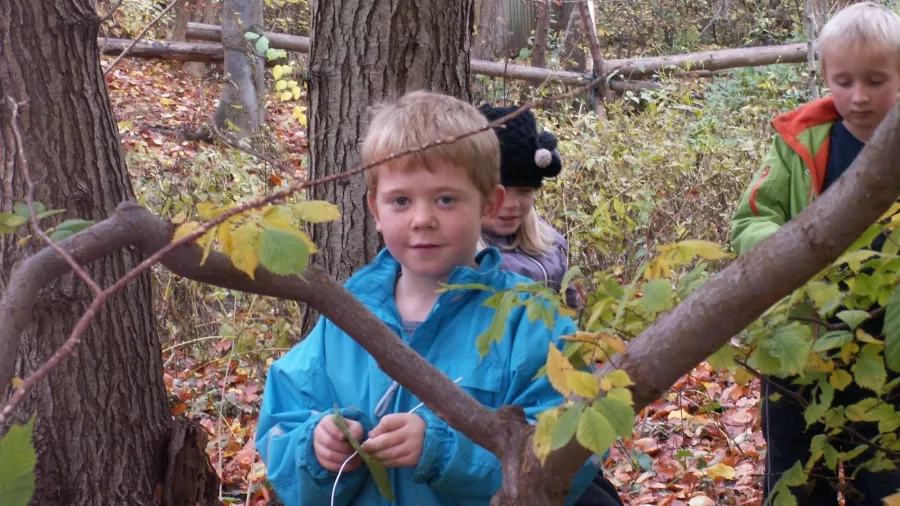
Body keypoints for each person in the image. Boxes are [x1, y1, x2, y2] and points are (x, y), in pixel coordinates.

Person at [255, 90, 597, 506]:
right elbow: (282, 424)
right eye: (401, 201)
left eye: (446, 199)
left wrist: (446, 451)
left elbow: (576, 451)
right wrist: (316, 448)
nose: (422, 220)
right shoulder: (345, 318)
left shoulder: (531, 325)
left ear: (490, 204)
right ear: (375, 211)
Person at [729, 3, 900, 504]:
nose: (859, 96)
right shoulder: (799, 142)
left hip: (885, 347)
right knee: (797, 468)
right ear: (824, 74)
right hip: (801, 335)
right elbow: (750, 222)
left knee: (884, 471)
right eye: (844, 80)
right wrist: (797, 252)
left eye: (876, 80)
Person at [478, 104, 581, 309]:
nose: (511, 204)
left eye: (524, 191)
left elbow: (572, 312)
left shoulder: (550, 245)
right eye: (499, 191)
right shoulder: (467, 258)